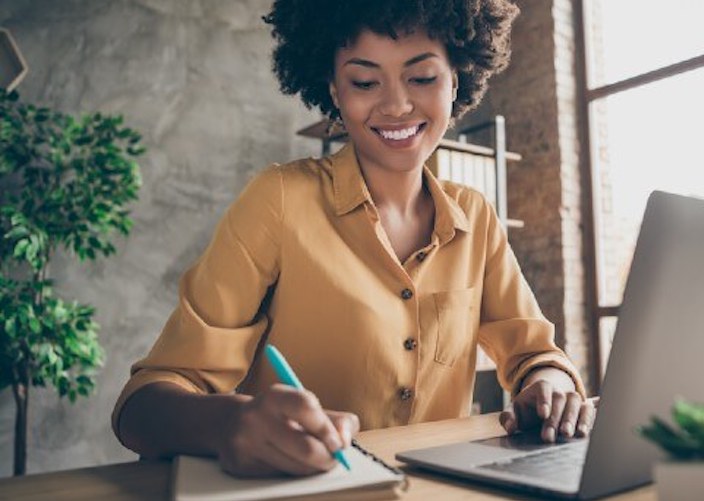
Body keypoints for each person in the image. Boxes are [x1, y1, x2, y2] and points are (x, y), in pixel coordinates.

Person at [111, 0, 593, 478]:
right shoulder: (279, 201)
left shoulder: (475, 216)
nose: (396, 105)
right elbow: (142, 409)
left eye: (422, 77)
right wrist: (229, 424)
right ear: (334, 91)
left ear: (457, 81)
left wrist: (547, 384)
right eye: (364, 82)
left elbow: (535, 355)